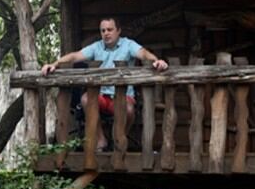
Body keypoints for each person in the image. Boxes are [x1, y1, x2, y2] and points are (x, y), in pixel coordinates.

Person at [41, 16, 169, 150]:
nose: (106, 33)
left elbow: (144, 54)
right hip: (101, 96)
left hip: (123, 97)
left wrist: (156, 61)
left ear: (118, 31)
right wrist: (54, 64)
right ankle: (101, 139)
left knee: (129, 110)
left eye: (109, 29)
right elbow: (75, 56)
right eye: (103, 31)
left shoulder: (128, 44)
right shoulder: (97, 47)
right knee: (86, 99)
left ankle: (119, 139)